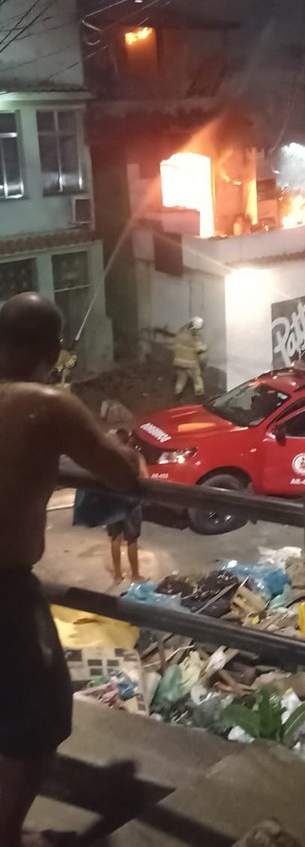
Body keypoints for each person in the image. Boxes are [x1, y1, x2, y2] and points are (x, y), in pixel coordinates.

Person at [0, 292, 140, 847]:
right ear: (51, 349)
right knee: (40, 714)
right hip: (4, 589)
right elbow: (122, 474)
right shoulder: (46, 403)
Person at [173, 316, 207, 397]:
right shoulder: (194, 336)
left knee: (181, 378)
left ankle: (177, 393)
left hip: (178, 361)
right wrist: (205, 347)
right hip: (190, 363)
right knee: (197, 379)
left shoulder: (180, 332)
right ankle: (199, 395)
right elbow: (199, 349)